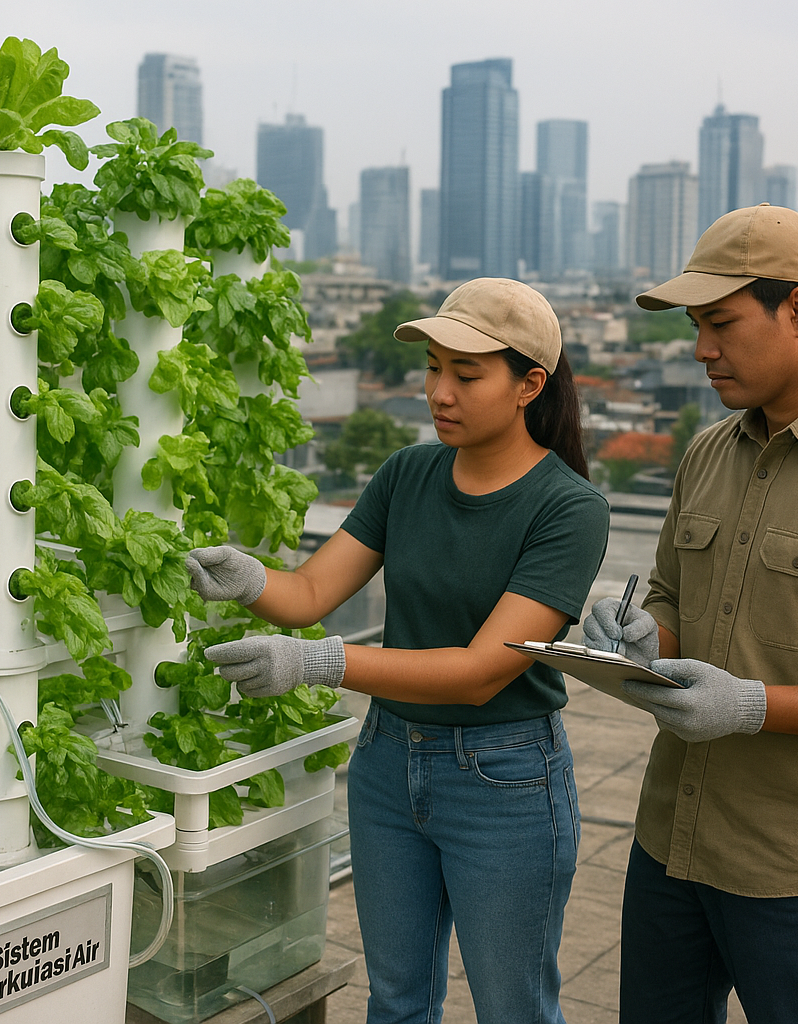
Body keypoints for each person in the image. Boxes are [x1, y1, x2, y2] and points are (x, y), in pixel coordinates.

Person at [185, 277, 610, 1024]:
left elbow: (482, 672)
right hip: (387, 764)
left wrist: (318, 664)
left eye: (466, 374)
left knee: (514, 1007)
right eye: (432, 370)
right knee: (398, 1000)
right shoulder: (407, 475)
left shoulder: (568, 509)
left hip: (504, 782)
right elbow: (313, 592)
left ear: (528, 385)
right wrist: (251, 579)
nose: (438, 392)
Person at [582, 203, 798, 1024]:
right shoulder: (706, 452)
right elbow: (670, 602)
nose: (701, 350)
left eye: (721, 324)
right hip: (669, 840)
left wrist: (750, 706)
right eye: (697, 327)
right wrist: (636, 636)